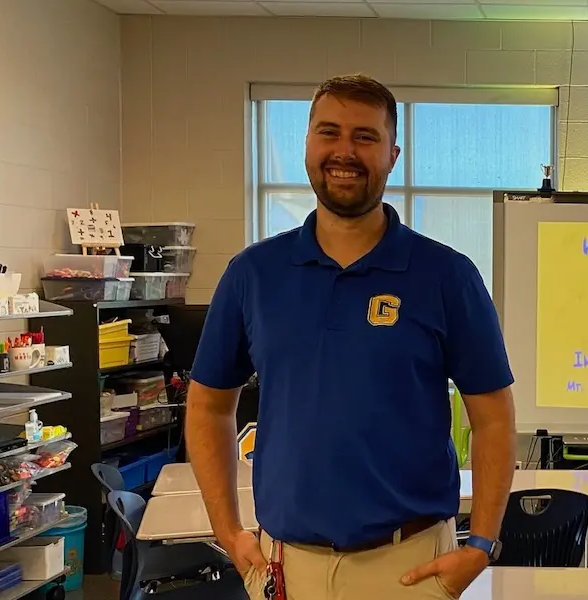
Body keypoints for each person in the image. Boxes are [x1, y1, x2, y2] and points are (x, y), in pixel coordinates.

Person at [186, 74, 516, 600]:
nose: (345, 151)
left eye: (365, 136)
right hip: (284, 567)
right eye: (329, 132)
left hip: (411, 567)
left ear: (393, 153)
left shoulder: (446, 276)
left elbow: (494, 417)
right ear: (308, 144)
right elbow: (208, 406)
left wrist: (482, 543)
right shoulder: (253, 274)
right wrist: (228, 530)